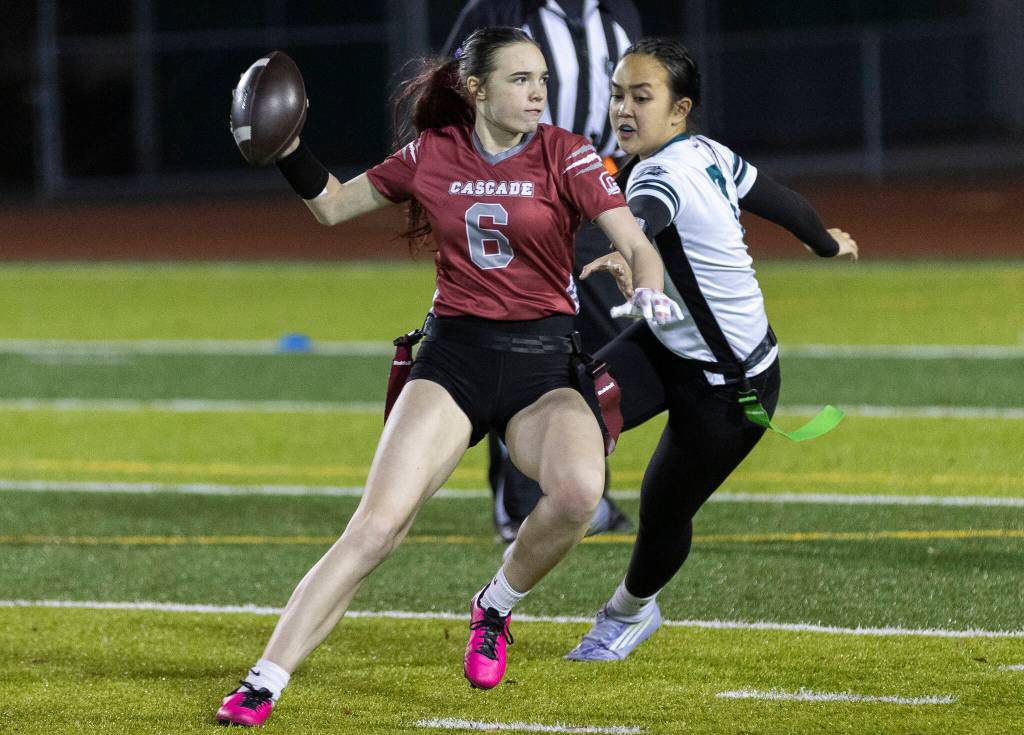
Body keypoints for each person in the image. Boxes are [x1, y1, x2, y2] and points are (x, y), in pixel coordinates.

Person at [214, 27, 683, 726]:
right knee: (375, 527)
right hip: (454, 359)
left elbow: (636, 242)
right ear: (476, 89)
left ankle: (494, 605)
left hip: (544, 365)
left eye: (543, 80)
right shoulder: (432, 154)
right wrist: (288, 150)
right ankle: (264, 679)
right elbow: (333, 205)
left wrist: (649, 287)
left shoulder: (566, 152)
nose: (538, 93)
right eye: (521, 79)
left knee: (581, 491)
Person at [560, 38, 858, 662]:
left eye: (642, 97)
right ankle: (530, 541)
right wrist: (825, 244)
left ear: (679, 110)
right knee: (563, 413)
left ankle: (629, 612)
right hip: (669, 343)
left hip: (730, 387)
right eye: (618, 94)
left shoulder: (663, 170)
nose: (623, 109)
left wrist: (626, 246)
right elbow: (786, 203)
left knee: (662, 509)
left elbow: (647, 213)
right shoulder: (705, 151)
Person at [446, 0, 644, 542]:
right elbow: (451, 93)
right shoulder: (499, 9)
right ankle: (521, 503)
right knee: (523, 347)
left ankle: (578, 484)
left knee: (610, 350)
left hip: (599, 195)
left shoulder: (619, 12)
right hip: (524, 200)